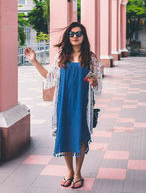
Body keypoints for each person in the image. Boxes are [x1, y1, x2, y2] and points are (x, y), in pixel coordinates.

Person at [24, 22, 103, 189]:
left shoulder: (91, 58)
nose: (75, 36)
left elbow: (97, 84)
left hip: (82, 104)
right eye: (71, 34)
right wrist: (34, 61)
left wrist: (95, 81)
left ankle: (78, 172)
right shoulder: (61, 56)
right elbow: (49, 77)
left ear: (84, 36)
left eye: (78, 33)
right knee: (65, 134)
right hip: (64, 103)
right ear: (68, 37)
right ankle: (69, 170)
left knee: (81, 136)